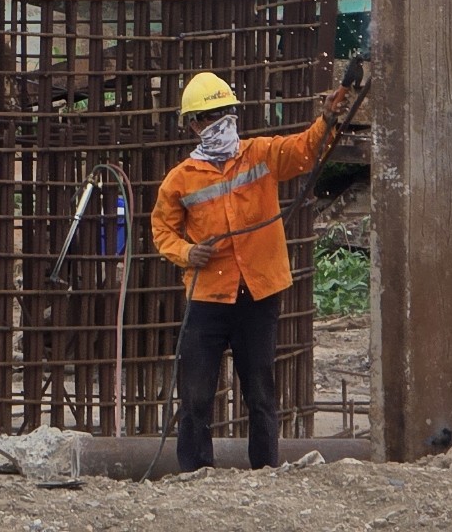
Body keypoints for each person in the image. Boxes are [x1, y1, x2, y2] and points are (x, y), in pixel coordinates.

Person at [150, 70, 354, 473]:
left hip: (257, 294)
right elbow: (162, 230)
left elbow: (304, 150)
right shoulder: (180, 181)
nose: (221, 122)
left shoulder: (260, 155)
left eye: (226, 113)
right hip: (207, 297)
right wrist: (187, 253)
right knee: (195, 394)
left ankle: (265, 469)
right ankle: (194, 471)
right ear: (194, 125)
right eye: (211, 117)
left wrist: (327, 119)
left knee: (260, 391)